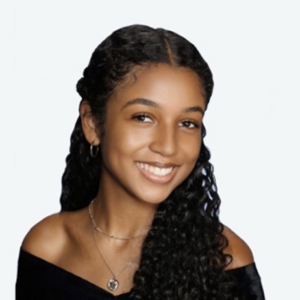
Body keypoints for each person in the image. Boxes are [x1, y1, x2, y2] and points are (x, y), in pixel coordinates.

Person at [16, 24, 265, 299]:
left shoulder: (226, 262)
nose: (168, 146)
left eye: (187, 122)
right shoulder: (48, 249)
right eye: (143, 117)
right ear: (92, 124)